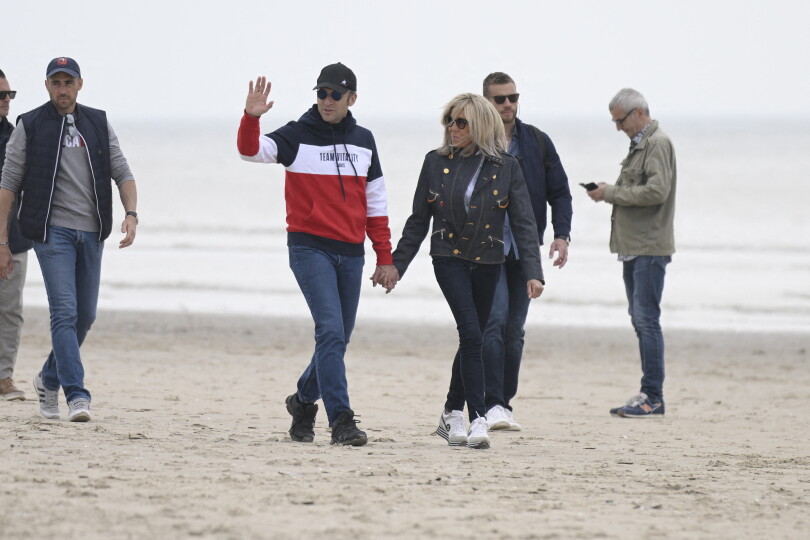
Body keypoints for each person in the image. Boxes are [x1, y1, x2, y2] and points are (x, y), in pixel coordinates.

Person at [237, 62, 396, 446]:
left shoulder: (364, 140)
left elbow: (376, 203)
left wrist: (385, 257)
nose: (327, 100)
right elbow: (250, 151)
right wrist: (250, 118)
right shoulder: (297, 134)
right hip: (309, 248)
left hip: (351, 253)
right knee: (329, 331)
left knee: (337, 339)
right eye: (321, 93)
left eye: (335, 94)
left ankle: (303, 402)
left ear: (351, 99)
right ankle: (341, 420)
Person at [388, 93, 544, 449]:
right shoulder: (435, 162)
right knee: (473, 333)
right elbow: (418, 221)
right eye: (449, 120)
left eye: (461, 122)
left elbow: (523, 223)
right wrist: (397, 265)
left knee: (471, 336)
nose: (453, 129)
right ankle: (478, 419)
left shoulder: (506, 166)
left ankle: (450, 413)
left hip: (489, 260)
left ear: (481, 126)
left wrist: (533, 272)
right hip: (448, 256)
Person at [0, 57, 138, 422]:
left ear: (80, 85)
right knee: (64, 311)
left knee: (85, 316)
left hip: (92, 232)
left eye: (69, 82)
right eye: (56, 82)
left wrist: (131, 214)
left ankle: (47, 379)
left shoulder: (98, 121)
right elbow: (9, 183)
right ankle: (77, 394)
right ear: (47, 86)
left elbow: (121, 170)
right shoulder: (29, 124)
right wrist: (1, 241)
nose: (63, 89)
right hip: (51, 232)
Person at [481, 72, 572, 430]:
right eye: (500, 99)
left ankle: (504, 403)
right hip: (485, 249)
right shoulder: (475, 139)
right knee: (494, 322)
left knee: (514, 330)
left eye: (512, 98)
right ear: (486, 101)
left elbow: (560, 192)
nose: (507, 105)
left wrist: (562, 235)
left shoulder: (536, 141)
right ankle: (491, 403)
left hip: (525, 249)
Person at [587, 88, 676, 418]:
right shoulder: (641, 144)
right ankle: (649, 393)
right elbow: (643, 187)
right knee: (641, 320)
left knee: (646, 320)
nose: (618, 127)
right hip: (634, 246)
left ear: (639, 113)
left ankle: (653, 397)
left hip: (649, 247)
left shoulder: (656, 143)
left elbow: (657, 190)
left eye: (620, 120)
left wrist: (609, 193)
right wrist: (609, 191)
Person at [0, 68, 33, 402]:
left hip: (15, 239)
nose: (6, 100)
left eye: (9, 94)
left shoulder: (17, 138)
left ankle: (3, 378)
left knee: (10, 310)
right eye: (0, 95)